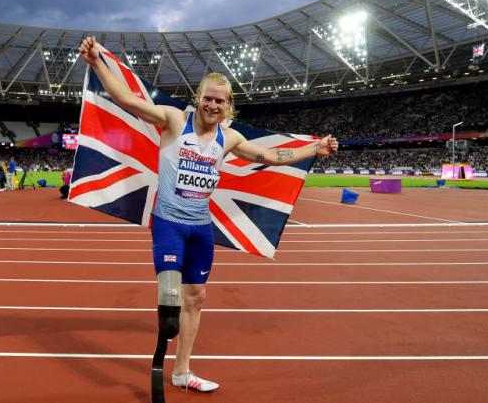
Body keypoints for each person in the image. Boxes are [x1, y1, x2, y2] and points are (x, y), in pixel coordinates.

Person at [79, 36, 339, 394]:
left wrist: (314, 148)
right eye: (207, 98)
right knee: (170, 297)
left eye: (220, 100)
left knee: (197, 297)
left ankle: (181, 372)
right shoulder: (173, 120)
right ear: (198, 98)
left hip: (200, 227)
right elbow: (127, 100)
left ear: (228, 105)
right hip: (168, 221)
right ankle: (161, 347)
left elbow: (269, 158)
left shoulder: (229, 139)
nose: (212, 105)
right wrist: (97, 62)